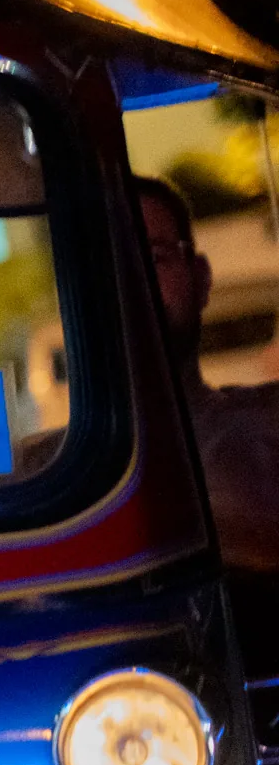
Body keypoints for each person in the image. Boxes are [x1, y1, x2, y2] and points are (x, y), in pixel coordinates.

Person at [135, 175, 279, 575]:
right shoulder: (45, 472)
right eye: (106, 263)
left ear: (201, 279)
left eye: (156, 258)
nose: (133, 281)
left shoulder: (269, 419)